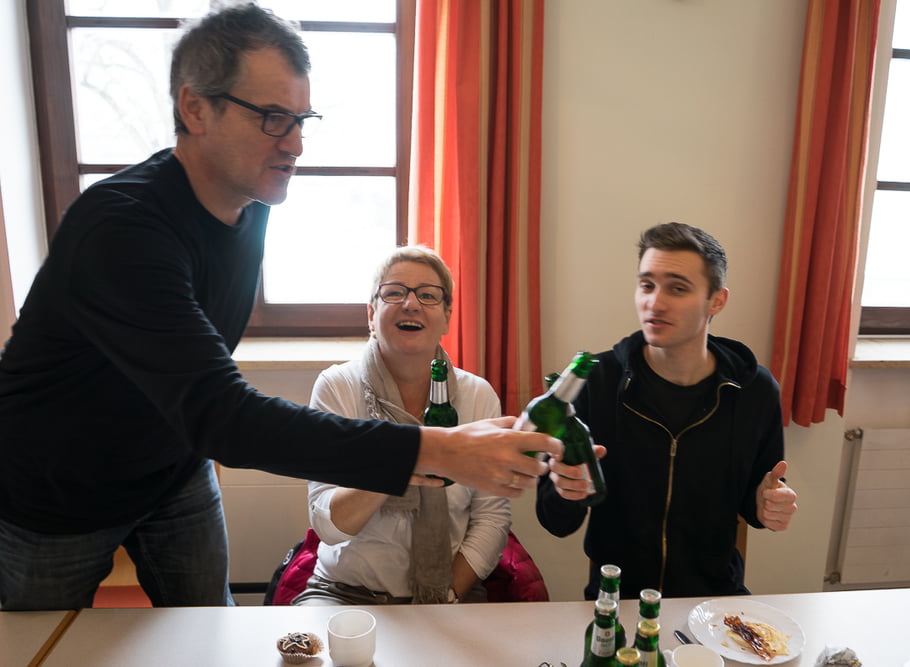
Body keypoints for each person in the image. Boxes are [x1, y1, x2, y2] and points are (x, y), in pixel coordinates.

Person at [0, 4, 557, 612]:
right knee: (43, 646)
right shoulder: (122, 229)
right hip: (56, 488)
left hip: (172, 469)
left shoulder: (249, 209)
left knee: (211, 631)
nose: (295, 143)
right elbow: (225, 416)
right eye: (272, 118)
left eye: (300, 119)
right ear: (194, 108)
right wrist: (435, 449)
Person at [535, 222, 798, 599]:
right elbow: (555, 521)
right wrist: (566, 490)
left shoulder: (754, 391)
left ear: (716, 301)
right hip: (617, 599)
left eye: (677, 288)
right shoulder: (597, 381)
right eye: (647, 285)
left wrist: (767, 504)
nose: (655, 303)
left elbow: (759, 499)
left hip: (712, 601)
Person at [293, 246, 509, 606]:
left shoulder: (478, 395)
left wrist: (446, 597)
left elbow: (491, 517)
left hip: (448, 594)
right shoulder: (336, 387)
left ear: (447, 317)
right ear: (371, 315)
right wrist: (399, 463)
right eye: (394, 293)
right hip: (344, 594)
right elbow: (328, 526)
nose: (411, 304)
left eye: (428, 295)